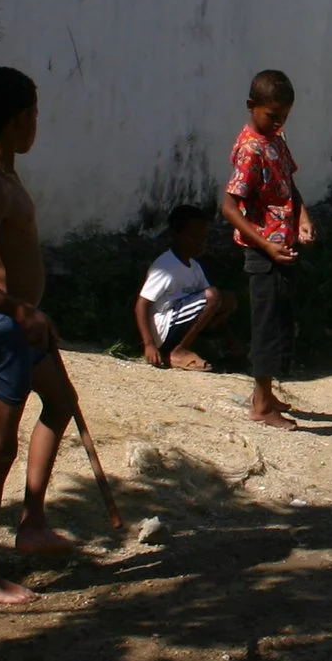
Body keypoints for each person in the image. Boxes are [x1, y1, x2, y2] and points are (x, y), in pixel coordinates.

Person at [0, 66, 82, 603]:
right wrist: (21, 311)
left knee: (61, 402)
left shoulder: (1, 175)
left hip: (20, 321)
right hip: (4, 326)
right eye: (33, 114)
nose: (38, 124)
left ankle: (31, 522)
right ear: (15, 121)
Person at [221, 69, 313, 429]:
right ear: (251, 106)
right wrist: (265, 247)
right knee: (266, 327)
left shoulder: (276, 139)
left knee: (281, 321)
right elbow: (229, 207)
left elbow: (288, 182)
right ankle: (260, 404)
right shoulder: (250, 149)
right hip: (263, 254)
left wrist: (302, 217)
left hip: (284, 247)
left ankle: (268, 392)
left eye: (283, 117)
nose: (277, 123)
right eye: (271, 116)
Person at [135, 204, 230, 371]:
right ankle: (178, 351)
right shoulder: (166, 266)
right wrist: (149, 344)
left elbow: (214, 306)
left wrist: (232, 340)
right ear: (175, 235)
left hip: (181, 319)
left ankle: (206, 344)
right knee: (212, 295)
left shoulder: (195, 266)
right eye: (194, 237)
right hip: (164, 329)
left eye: (204, 238)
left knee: (228, 300)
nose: (201, 243)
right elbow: (142, 304)